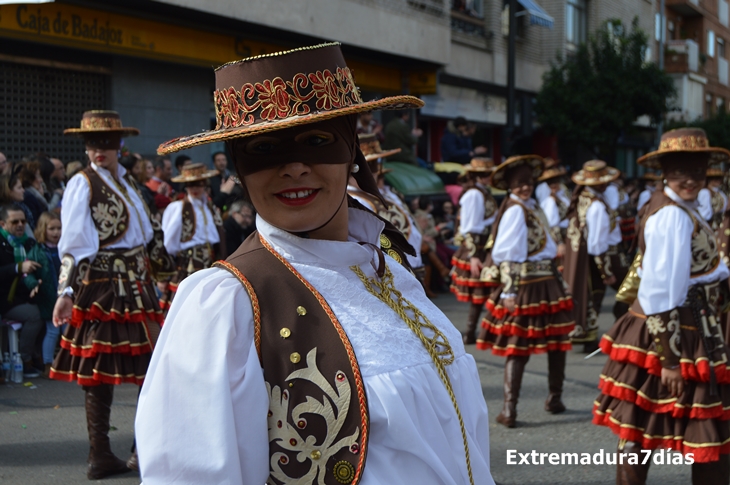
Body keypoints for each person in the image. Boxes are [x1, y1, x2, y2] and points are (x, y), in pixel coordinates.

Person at [136, 42, 495, 485]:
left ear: (352, 152)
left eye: (317, 141)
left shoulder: (392, 270)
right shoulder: (227, 306)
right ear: (238, 170)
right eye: (263, 149)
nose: (294, 167)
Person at [593, 128, 730, 484]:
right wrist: (669, 360)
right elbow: (660, 292)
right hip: (673, 331)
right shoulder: (671, 216)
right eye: (681, 171)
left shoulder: (678, 207)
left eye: (697, 171)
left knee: (641, 427)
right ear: (665, 172)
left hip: (685, 324)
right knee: (666, 427)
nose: (691, 179)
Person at [50, 110, 168, 480]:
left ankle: (140, 449)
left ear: (120, 144)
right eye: (91, 143)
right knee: (99, 371)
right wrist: (65, 289)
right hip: (102, 284)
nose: (98, 149)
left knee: (152, 366)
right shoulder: (81, 183)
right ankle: (99, 454)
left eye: (106, 142)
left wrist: (162, 273)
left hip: (137, 283)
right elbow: (73, 244)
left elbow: (146, 234)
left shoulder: (129, 182)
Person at [476, 155, 574, 427]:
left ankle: (553, 398)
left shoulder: (531, 206)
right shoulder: (516, 210)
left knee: (555, 342)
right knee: (519, 346)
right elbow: (506, 254)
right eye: (519, 184)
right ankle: (510, 409)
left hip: (547, 280)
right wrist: (509, 291)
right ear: (509, 186)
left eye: (528, 182)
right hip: (527, 283)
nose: (525, 187)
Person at [562, 160, 621, 352]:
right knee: (596, 295)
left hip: (582, 255)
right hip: (595, 258)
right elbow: (597, 244)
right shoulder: (596, 206)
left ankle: (588, 334)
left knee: (589, 294)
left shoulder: (584, 198)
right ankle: (592, 337)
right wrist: (606, 271)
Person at [159, 163, 224, 312]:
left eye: (198, 185)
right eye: (191, 185)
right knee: (186, 304)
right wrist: (164, 272)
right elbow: (168, 241)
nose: (195, 189)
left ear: (205, 186)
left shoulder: (210, 207)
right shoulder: (178, 207)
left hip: (210, 261)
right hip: (188, 262)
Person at [450, 157, 498, 344]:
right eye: (483, 174)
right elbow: (470, 227)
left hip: (485, 246)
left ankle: (477, 332)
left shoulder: (482, 192)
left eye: (487, 174)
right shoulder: (474, 195)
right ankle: (472, 333)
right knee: (480, 293)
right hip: (477, 248)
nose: (486, 177)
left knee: (484, 293)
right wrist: (474, 256)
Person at [0, 203, 43, 377]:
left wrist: (38, 282)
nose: (20, 225)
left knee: (49, 310)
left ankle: (38, 356)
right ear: (2, 224)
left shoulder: (29, 243)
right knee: (36, 314)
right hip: (5, 300)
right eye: (14, 221)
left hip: (27, 295)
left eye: (23, 221)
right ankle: (25, 359)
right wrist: (18, 267)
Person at [23, 211, 62, 376]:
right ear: (42, 230)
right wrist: (33, 285)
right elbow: (27, 273)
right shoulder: (37, 251)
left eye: (59, 228)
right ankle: (48, 365)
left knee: (69, 331)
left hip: (65, 296)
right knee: (52, 331)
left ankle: (66, 363)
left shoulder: (64, 249)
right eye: (51, 228)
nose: (56, 232)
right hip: (48, 298)